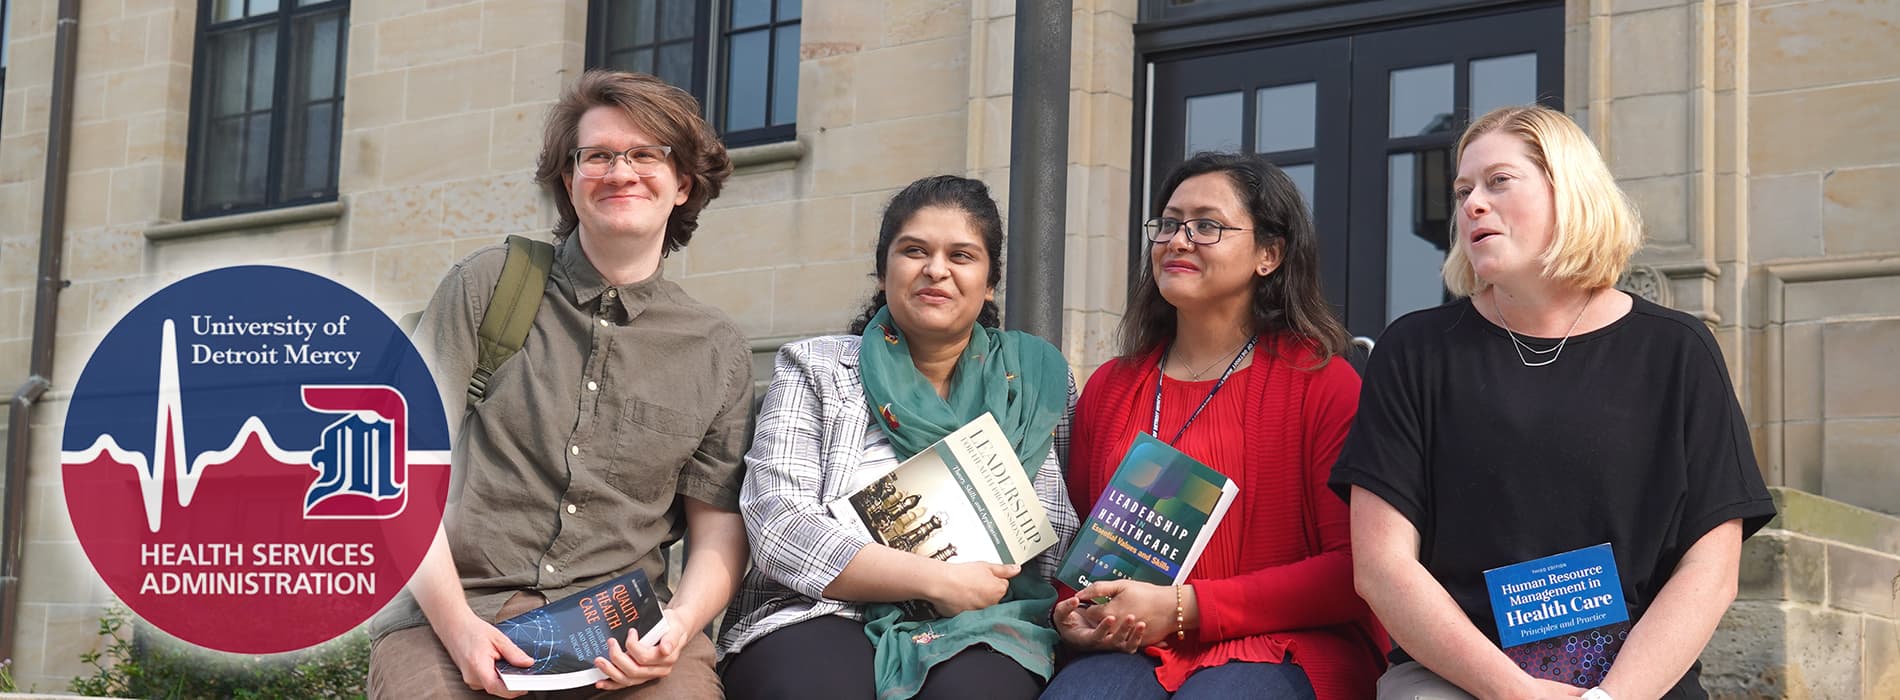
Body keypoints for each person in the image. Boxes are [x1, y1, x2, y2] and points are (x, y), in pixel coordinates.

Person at [1330, 105, 1776, 700]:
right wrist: (1513, 692)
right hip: (1457, 678)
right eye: (1463, 190)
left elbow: (1710, 570)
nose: (1471, 204)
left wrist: (1610, 698)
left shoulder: (1678, 350)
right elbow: (1383, 569)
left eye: (1498, 181)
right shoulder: (1414, 350)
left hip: (1636, 679)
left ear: (1570, 189)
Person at [366, 70, 749, 698]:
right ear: (569, 182)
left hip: (625, 636)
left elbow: (717, 530)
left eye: (646, 154)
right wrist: (459, 629)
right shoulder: (486, 287)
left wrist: (677, 627)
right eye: (596, 155)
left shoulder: (717, 350)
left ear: (682, 183)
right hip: (455, 613)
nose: (620, 171)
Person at [716, 175, 1080, 700]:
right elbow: (779, 526)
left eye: (962, 255)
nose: (937, 270)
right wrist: (934, 579)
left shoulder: (1039, 381)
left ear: (990, 281)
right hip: (820, 610)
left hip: (991, 619)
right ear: (884, 270)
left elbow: (1064, 529)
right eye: (914, 251)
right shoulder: (816, 368)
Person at [1042, 152, 1386, 700]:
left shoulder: (1323, 383)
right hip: (1135, 648)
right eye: (1170, 223)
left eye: (1207, 225)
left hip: (1284, 645)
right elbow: (1081, 551)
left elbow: (1354, 572)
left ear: (1269, 255)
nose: (1178, 240)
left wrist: (1184, 609)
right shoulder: (1110, 387)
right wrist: (1075, 612)